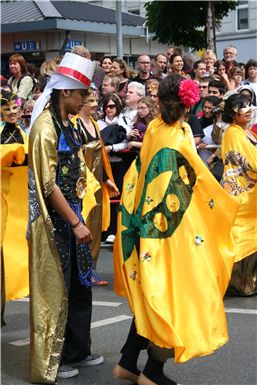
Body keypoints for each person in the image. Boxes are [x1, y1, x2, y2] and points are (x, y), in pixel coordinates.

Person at [113, 75, 239, 385]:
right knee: (174, 296)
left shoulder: (156, 129)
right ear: (189, 104)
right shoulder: (178, 136)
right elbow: (196, 183)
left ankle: (128, 362)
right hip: (172, 231)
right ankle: (152, 374)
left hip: (146, 222)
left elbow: (139, 172)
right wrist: (225, 205)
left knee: (151, 292)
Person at [28, 52, 104, 383]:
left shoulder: (69, 122)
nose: (85, 100)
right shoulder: (45, 128)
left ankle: (77, 350)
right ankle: (52, 362)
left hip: (74, 215)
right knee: (55, 292)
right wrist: (74, 222)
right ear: (64, 92)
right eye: (81, 94)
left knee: (79, 286)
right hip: (55, 222)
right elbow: (47, 185)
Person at [71, 88, 119, 264]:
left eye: (95, 101)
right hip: (83, 185)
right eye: (90, 101)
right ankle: (82, 269)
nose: (94, 105)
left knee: (96, 225)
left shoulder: (95, 124)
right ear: (81, 103)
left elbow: (102, 157)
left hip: (97, 183)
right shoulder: (75, 125)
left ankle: (91, 268)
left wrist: (107, 180)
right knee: (85, 223)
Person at [221, 93, 257, 296]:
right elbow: (250, 162)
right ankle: (239, 283)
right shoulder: (234, 133)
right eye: (243, 106)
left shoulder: (247, 132)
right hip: (242, 191)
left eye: (250, 105)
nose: (249, 109)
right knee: (243, 234)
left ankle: (247, 282)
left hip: (251, 190)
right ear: (233, 114)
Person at [1, 90, 29, 326]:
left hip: (18, 206)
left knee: (11, 257)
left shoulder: (23, 133)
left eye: (14, 108)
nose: (11, 112)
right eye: (6, 108)